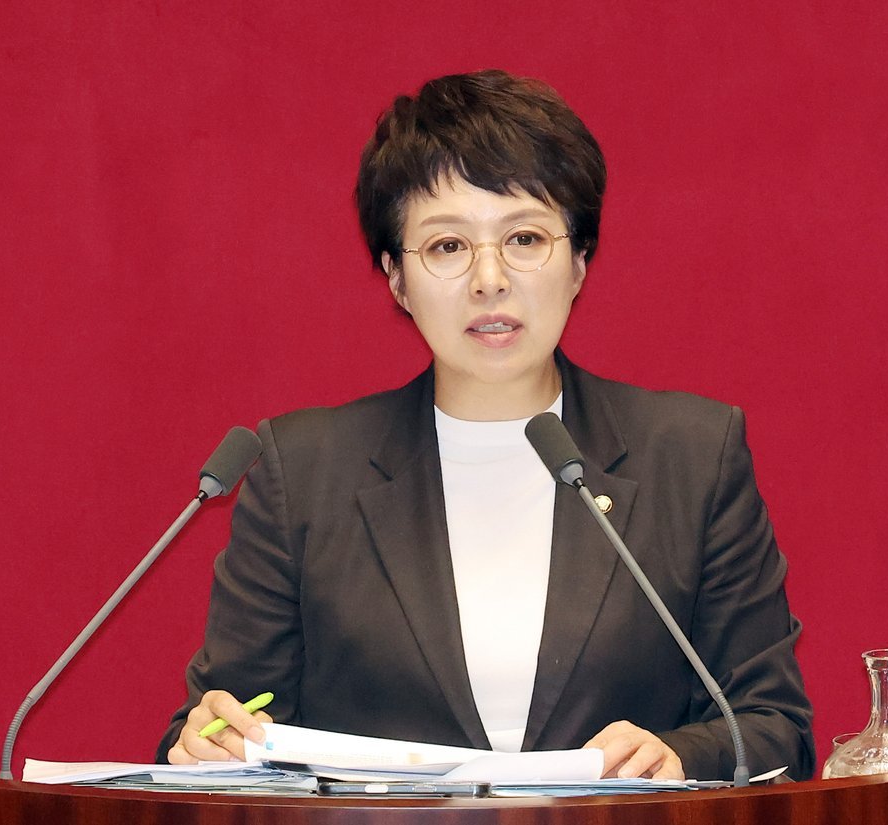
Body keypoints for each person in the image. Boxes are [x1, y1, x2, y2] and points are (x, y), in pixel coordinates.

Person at [157, 69, 815, 781]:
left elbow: (774, 727)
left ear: (579, 261)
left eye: (525, 238)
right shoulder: (304, 475)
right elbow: (212, 731)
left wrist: (681, 754)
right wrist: (206, 743)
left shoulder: (691, 457)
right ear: (396, 278)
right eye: (448, 246)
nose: (489, 278)